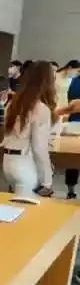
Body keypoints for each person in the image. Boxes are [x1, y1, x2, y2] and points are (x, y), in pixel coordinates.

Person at [0, 61, 58, 197]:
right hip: (25, 165)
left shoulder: (13, 103)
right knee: (26, 207)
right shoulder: (40, 108)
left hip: (8, 162)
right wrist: (47, 181)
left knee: (15, 205)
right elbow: (39, 148)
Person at [63, 69, 80, 198]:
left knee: (72, 159)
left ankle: (71, 191)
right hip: (75, 123)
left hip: (73, 123)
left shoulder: (74, 80)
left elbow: (70, 101)